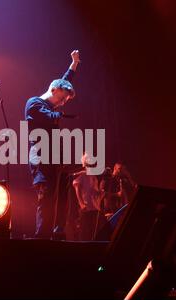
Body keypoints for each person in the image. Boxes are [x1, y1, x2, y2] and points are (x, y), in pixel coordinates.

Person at [25, 50, 81, 239]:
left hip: (55, 159)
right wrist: (61, 115)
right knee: (47, 198)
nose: (64, 102)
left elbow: (64, 81)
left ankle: (58, 233)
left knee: (61, 197)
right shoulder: (34, 104)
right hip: (41, 158)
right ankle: (42, 238)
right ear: (54, 90)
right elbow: (49, 117)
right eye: (63, 98)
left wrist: (73, 65)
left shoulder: (54, 98)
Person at [72, 153, 104, 241]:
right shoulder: (82, 175)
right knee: (85, 233)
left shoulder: (94, 178)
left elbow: (96, 195)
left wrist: (101, 193)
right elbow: (77, 189)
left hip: (95, 209)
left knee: (94, 233)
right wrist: (81, 204)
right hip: (86, 209)